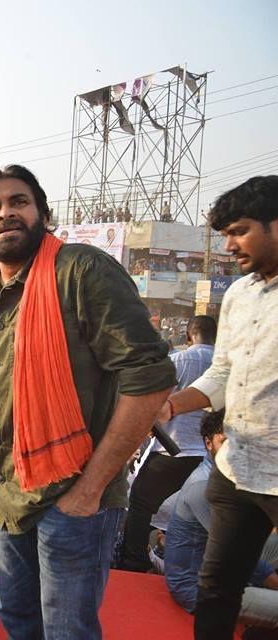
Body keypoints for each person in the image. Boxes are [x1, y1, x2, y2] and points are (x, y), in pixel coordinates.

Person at [0, 165, 175, 639]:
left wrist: (88, 490)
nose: (5, 213)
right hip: (8, 498)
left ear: (42, 213)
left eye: (18, 202)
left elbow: (150, 378)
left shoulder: (82, 271)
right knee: (19, 621)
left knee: (67, 632)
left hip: (73, 498)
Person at [155, 176, 278, 639]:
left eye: (240, 230)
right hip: (234, 468)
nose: (229, 245)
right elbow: (223, 375)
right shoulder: (240, 294)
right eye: (225, 234)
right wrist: (171, 406)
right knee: (216, 589)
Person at [163, 410, 278, 632]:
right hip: (197, 587)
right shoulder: (203, 485)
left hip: (223, 563)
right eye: (226, 442)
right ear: (208, 443)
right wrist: (273, 582)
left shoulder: (231, 474)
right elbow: (235, 551)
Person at [119, 315, 217, 572]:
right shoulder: (223, 364)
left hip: (172, 450)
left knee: (140, 503)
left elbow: (147, 403)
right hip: (208, 456)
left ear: (188, 336)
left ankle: (133, 563)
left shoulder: (178, 361)